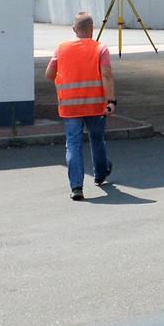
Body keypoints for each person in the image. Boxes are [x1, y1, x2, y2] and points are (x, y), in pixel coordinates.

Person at [45, 11, 118, 201]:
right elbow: (106, 76)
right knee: (97, 139)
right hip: (95, 105)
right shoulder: (101, 49)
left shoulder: (61, 48)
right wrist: (111, 101)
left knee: (73, 144)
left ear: (74, 29)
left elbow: (49, 74)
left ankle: (76, 187)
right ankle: (100, 174)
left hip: (70, 106)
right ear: (92, 29)